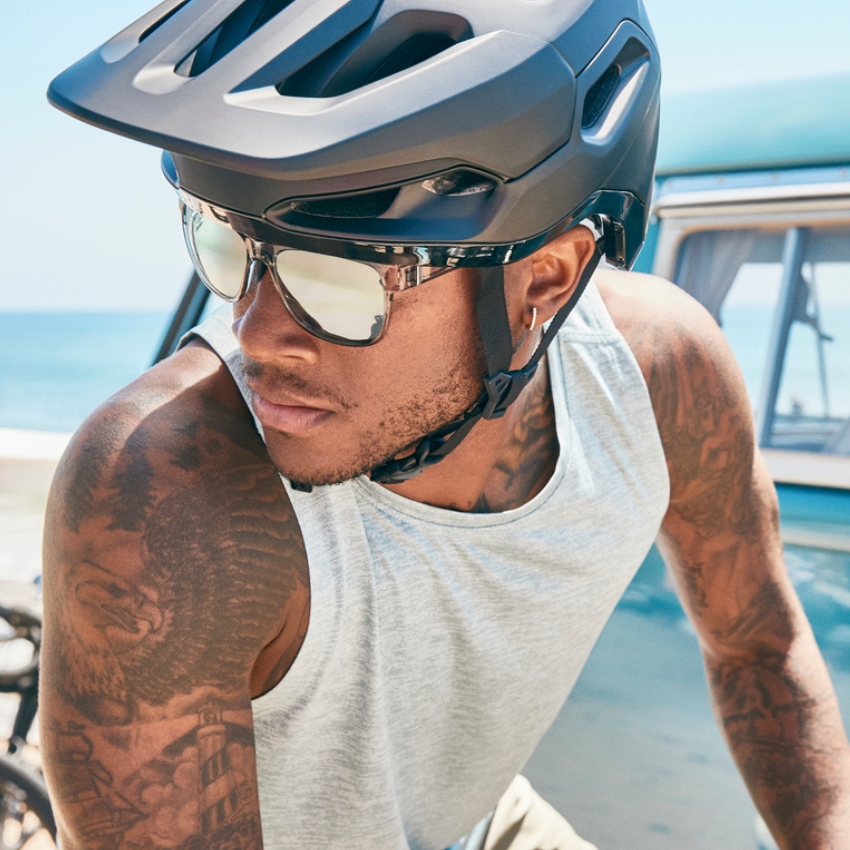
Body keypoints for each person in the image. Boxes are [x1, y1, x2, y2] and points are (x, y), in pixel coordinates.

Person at [40, 0, 850, 848]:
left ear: (544, 278)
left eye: (336, 281)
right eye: (227, 247)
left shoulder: (661, 379)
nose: (255, 332)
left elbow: (761, 645)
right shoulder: (165, 495)